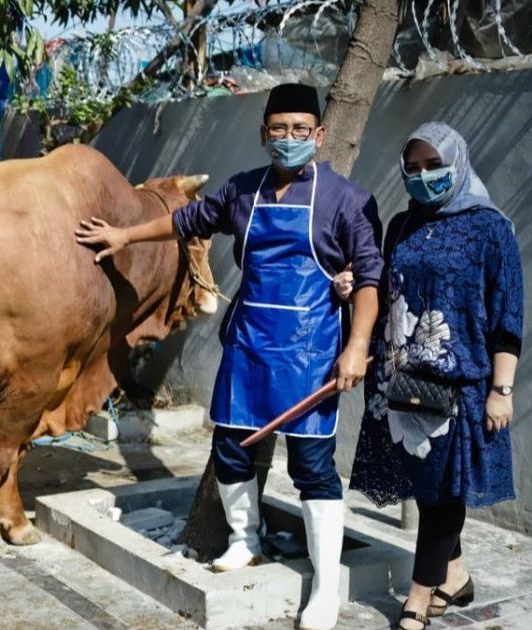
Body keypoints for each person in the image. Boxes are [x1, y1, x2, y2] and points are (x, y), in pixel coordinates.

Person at [75, 83, 382, 630]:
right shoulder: (243, 191)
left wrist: (356, 348)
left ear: (319, 135)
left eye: (299, 130)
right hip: (248, 346)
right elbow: (185, 222)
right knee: (233, 449)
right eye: (279, 129)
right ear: (264, 134)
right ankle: (246, 540)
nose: (289, 139)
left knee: (313, 467)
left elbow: (369, 281)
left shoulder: (347, 200)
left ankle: (326, 587)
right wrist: (126, 235)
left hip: (312, 352)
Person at [335, 122, 523, 630]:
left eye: (434, 165)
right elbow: (384, 284)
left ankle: (418, 597)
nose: (423, 176)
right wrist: (353, 282)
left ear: (457, 163)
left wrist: (501, 390)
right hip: (400, 382)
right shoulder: (400, 226)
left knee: (444, 492)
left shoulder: (491, 228)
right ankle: (454, 576)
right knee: (425, 483)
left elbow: (508, 316)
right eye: (413, 167)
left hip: (461, 386)